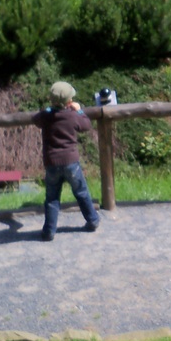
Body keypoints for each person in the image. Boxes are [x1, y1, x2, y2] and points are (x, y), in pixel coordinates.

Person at [32, 81, 101, 241]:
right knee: (81, 192)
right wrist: (79, 111)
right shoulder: (72, 116)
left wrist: (47, 110)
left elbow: (35, 119)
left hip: (52, 163)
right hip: (71, 161)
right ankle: (92, 220)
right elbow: (86, 125)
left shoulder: (46, 116)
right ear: (69, 101)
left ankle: (49, 231)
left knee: (52, 198)